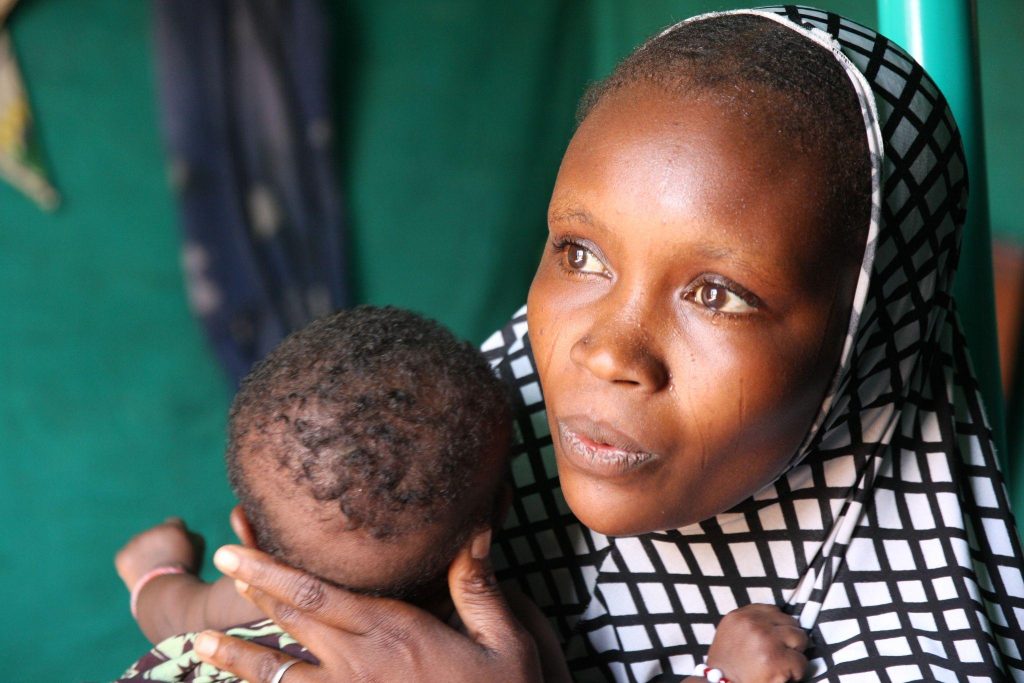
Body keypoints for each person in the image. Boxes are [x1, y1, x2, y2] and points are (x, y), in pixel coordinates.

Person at [184, 7, 1024, 683]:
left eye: (718, 293)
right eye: (580, 254)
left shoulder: (905, 648)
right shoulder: (435, 480)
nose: (609, 352)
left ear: (867, 340)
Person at [114, 305, 806, 683]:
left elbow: (170, 611)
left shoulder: (244, 601)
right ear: (506, 505)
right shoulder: (502, 647)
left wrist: (154, 569)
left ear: (251, 541)